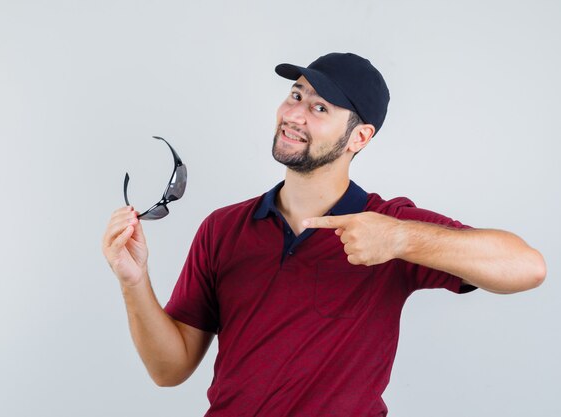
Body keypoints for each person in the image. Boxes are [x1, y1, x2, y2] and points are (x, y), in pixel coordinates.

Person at [101, 52, 546, 416]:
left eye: (319, 108)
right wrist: (134, 281)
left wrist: (400, 240)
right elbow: (169, 370)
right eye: (295, 95)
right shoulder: (223, 229)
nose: (294, 115)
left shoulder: (388, 223)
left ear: (360, 137)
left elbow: (527, 267)